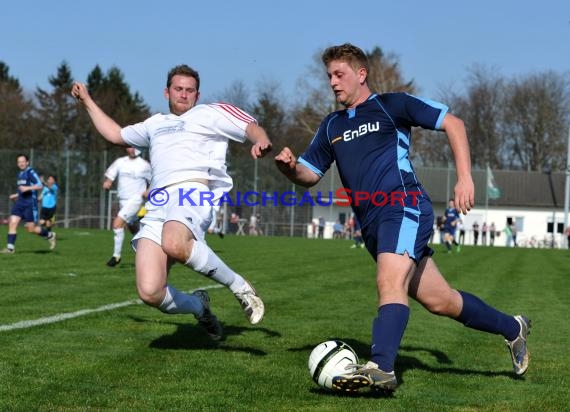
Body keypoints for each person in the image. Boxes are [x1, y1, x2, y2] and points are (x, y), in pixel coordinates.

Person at [274, 43, 531, 393]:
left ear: (360, 74)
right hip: (372, 225)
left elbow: (454, 124)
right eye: (329, 76)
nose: (333, 82)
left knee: (388, 282)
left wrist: (465, 177)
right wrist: (290, 168)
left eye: (339, 74)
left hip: (404, 205)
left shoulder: (391, 104)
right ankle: (512, 328)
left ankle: (381, 367)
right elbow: (309, 174)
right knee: (441, 300)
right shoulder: (331, 125)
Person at [71, 64, 271, 341]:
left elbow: (250, 126)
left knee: (175, 243)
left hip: (192, 193)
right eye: (178, 89)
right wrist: (87, 101)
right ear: (167, 91)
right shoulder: (155, 123)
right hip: (157, 204)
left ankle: (241, 287)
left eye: (190, 90)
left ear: (197, 95)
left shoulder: (209, 113)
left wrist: (261, 141)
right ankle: (200, 308)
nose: (184, 94)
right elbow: (116, 135)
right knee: (150, 291)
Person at [103, 147, 151, 267]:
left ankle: (116, 256)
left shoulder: (144, 165)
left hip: (136, 200)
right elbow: (110, 176)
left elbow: (155, 180)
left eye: (135, 146)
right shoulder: (120, 162)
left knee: (117, 223)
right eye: (130, 146)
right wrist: (108, 182)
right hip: (122, 200)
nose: (132, 149)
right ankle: (147, 251)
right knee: (133, 228)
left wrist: (149, 190)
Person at [1, 154, 57, 253]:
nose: (21, 163)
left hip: (29, 204)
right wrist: (16, 195)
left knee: (30, 229)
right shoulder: (20, 174)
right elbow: (22, 189)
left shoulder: (31, 172)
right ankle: (10, 248)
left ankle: (50, 235)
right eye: (19, 162)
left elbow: (39, 185)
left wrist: (27, 188)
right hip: (20, 203)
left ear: (27, 162)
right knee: (12, 223)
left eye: (23, 161)